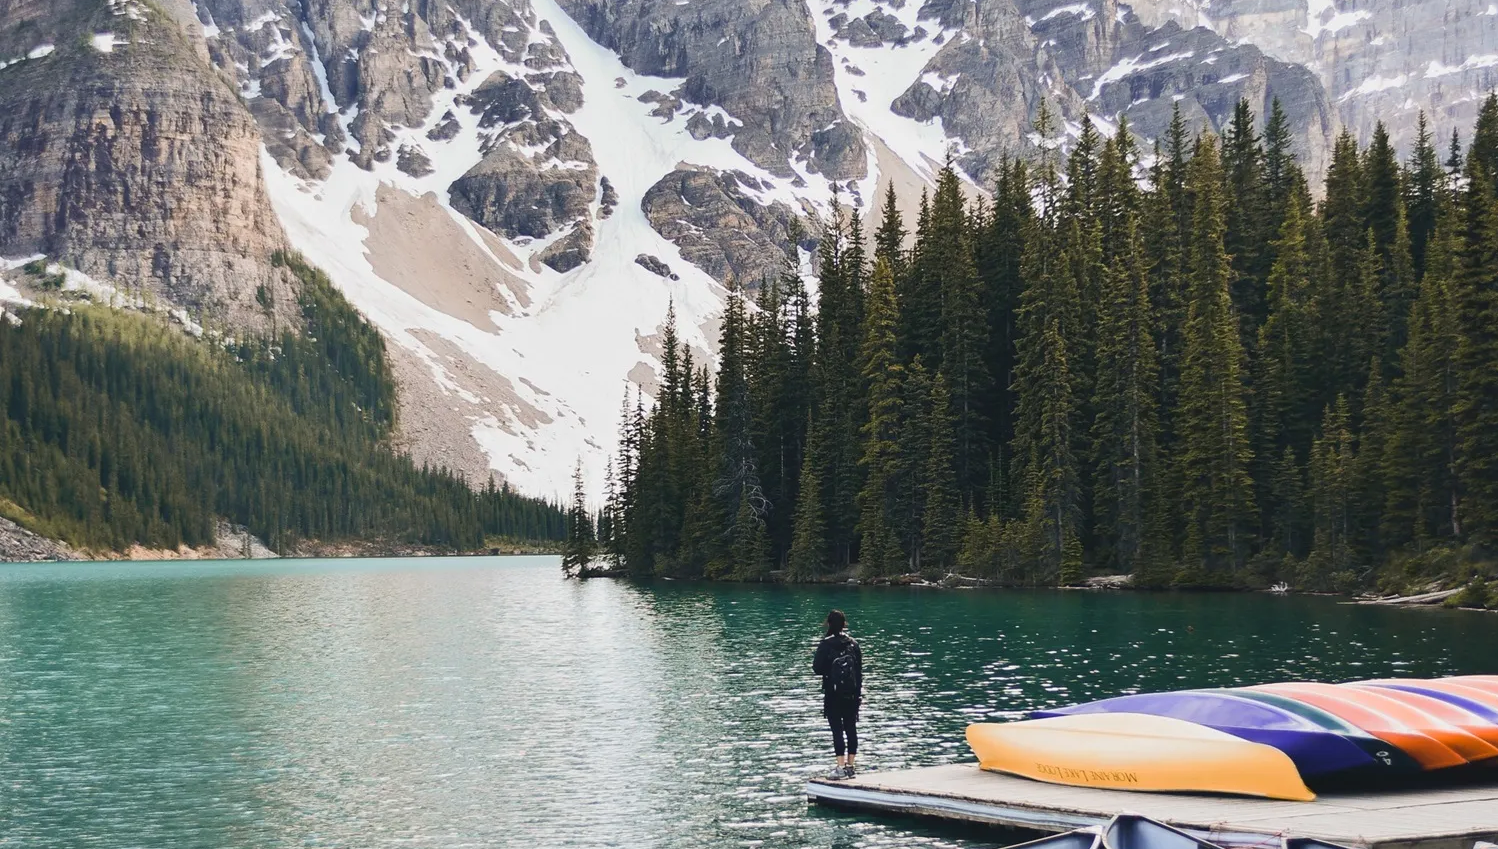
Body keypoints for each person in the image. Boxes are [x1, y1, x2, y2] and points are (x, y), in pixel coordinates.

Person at [812, 609, 863, 780]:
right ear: (844, 624)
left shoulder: (825, 644)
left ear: (828, 623)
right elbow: (859, 672)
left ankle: (840, 767)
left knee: (837, 730)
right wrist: (858, 694)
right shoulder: (853, 644)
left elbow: (817, 668)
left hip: (833, 694)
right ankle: (851, 766)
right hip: (851, 694)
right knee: (851, 728)